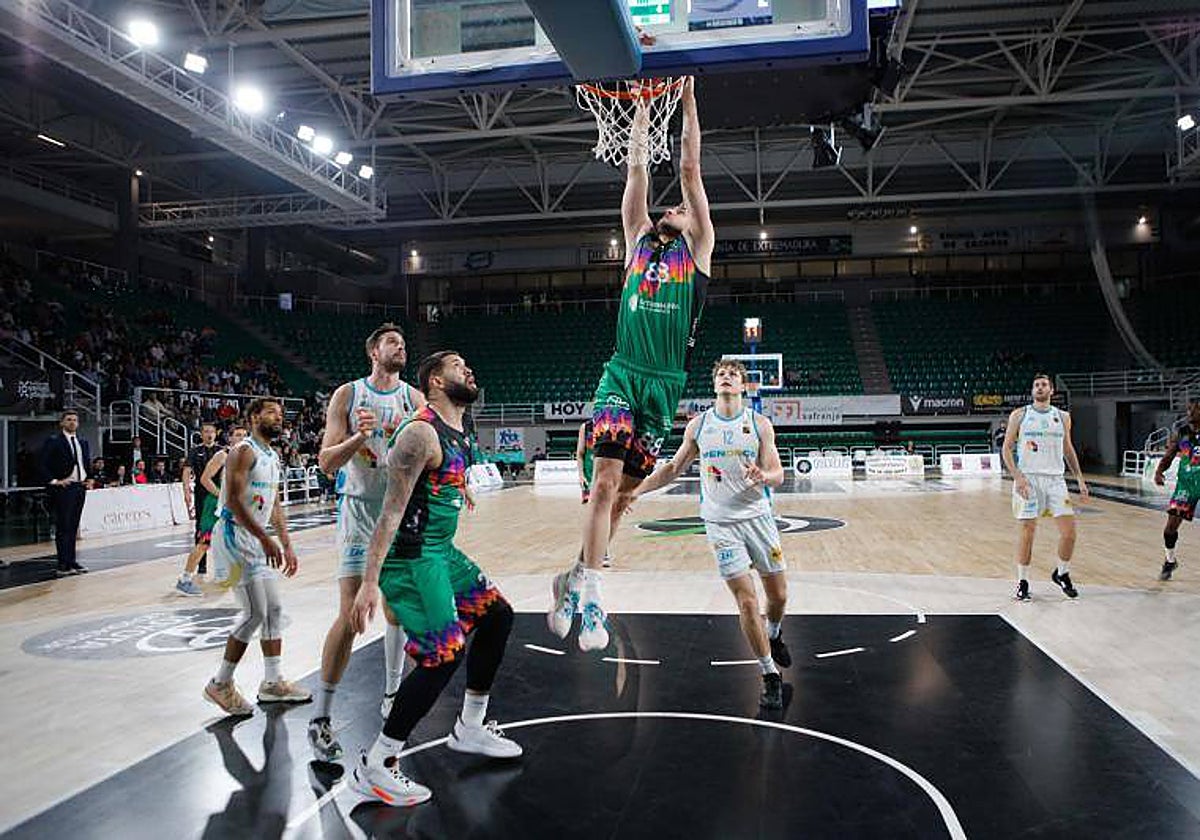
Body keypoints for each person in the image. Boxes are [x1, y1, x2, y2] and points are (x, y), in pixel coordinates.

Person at [549, 76, 713, 651]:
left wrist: (687, 101)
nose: (673, 207)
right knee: (604, 486)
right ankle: (593, 598)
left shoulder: (698, 252)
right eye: (669, 207)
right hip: (621, 374)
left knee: (622, 499)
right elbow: (638, 171)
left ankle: (573, 578)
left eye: (682, 209)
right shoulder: (639, 239)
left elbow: (688, 170)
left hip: (664, 387)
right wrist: (644, 107)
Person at [349, 351, 520, 807]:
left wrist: (457, 487)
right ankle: (378, 765)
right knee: (443, 654)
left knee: (498, 616)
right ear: (435, 382)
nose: (470, 369)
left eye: (469, 363)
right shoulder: (420, 433)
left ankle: (470, 726)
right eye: (458, 365)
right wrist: (369, 582)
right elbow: (389, 511)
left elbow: (441, 480)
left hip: (442, 553)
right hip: (410, 558)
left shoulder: (460, 430)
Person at [629, 359, 790, 708]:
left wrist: (765, 477)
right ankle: (769, 674)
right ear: (714, 384)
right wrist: (634, 491)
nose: (726, 377)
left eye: (733, 374)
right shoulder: (700, 426)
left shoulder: (759, 424)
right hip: (719, 522)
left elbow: (777, 471)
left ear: (744, 385)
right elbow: (672, 468)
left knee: (777, 597)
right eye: (721, 374)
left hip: (758, 518)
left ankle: (774, 634)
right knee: (746, 601)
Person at [308, 324, 425, 763]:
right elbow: (325, 462)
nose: (401, 346)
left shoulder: (413, 400)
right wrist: (359, 436)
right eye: (393, 341)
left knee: (397, 609)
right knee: (351, 615)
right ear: (373, 351)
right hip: (358, 514)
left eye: (403, 341)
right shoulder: (348, 395)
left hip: (397, 515)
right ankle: (321, 717)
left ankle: (392, 694)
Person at [203, 399, 310, 715]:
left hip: (255, 536)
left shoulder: (272, 456)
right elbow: (235, 501)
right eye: (270, 412)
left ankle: (273, 682)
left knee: (273, 609)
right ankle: (219, 684)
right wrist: (265, 538)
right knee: (254, 613)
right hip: (235, 535)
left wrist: (286, 543)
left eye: (280, 413)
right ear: (253, 417)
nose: (278, 417)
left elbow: (274, 505)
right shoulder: (243, 450)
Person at [1001, 373, 1090, 601]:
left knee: (1069, 533)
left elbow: (1068, 449)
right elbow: (1006, 448)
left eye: (1044, 385)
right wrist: (1017, 477)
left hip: (1056, 480)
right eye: (1036, 385)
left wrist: (1079, 478)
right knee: (1028, 532)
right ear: (1032, 391)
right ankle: (1022, 582)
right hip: (1028, 480)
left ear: (1052, 391)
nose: (1040, 388)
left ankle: (1062, 573)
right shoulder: (1020, 415)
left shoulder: (1063, 417)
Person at [176, 427, 248, 597]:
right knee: (204, 542)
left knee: (235, 540)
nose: (242, 438)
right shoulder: (222, 455)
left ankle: (234, 576)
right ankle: (185, 580)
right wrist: (222, 496)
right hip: (214, 504)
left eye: (245, 435)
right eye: (238, 435)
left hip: (232, 504)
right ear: (229, 438)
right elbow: (204, 479)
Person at [39, 410, 91, 576]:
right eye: (68, 420)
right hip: (64, 488)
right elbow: (42, 464)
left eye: (75, 420)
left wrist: (89, 478)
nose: (72, 422)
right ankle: (62, 564)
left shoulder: (83, 442)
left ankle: (71, 560)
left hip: (79, 487)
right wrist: (54, 481)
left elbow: (85, 463)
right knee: (63, 526)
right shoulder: (54, 441)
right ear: (62, 423)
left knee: (73, 526)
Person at [1154, 399, 1200, 580]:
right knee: (1169, 529)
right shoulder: (1182, 433)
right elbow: (1169, 455)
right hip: (1186, 485)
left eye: (1195, 409)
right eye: (1189, 409)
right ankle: (1170, 560)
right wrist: (1159, 471)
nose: (1190, 412)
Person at [185, 423, 223, 576]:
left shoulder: (221, 451)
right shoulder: (195, 451)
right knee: (201, 530)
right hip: (202, 495)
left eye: (212, 432)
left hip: (219, 494)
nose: (209, 434)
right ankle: (201, 566)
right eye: (206, 432)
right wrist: (186, 491)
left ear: (216, 434)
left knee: (224, 529)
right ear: (201, 434)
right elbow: (187, 471)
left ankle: (224, 565)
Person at [575, 419, 613, 568]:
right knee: (591, 516)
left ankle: (602, 552)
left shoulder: (613, 426)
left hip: (606, 478)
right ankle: (594, 553)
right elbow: (580, 454)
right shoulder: (586, 427)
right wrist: (580, 474)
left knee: (605, 515)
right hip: (590, 477)